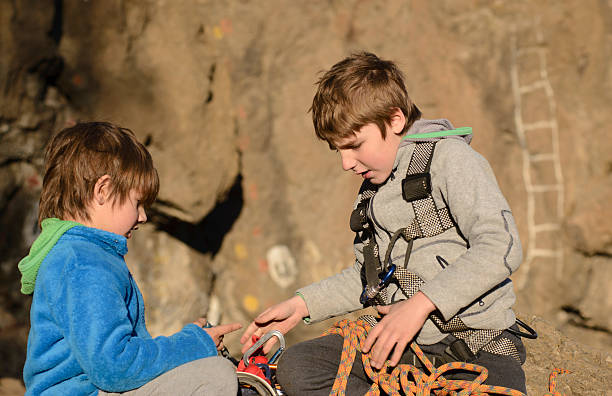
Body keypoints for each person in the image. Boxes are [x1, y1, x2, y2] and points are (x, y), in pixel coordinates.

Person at [240, 52, 528, 394]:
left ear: (394, 120)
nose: (347, 163)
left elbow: (501, 246)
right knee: (299, 368)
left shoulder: (452, 160)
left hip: (475, 345)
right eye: (338, 151)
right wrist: (301, 305)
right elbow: (369, 277)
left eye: (355, 146)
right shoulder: (373, 192)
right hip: (399, 349)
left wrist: (421, 305)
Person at [18, 122, 241, 396]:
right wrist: (192, 344)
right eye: (137, 203)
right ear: (103, 191)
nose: (143, 216)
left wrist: (188, 344)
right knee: (214, 376)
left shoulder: (81, 256)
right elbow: (115, 367)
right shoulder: (83, 263)